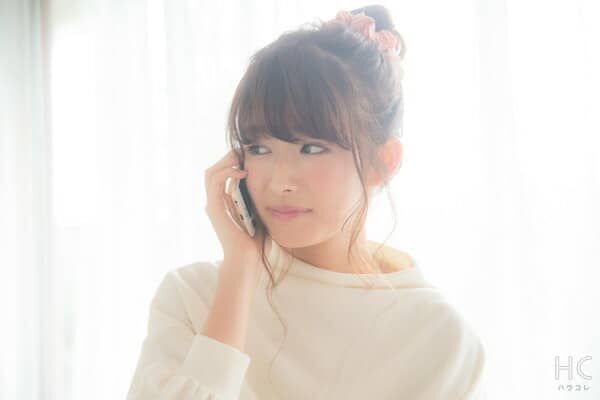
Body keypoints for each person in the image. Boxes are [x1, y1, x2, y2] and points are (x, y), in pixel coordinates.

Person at [126, 4, 487, 399]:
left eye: (311, 148)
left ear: (382, 162)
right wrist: (240, 271)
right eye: (259, 148)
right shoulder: (192, 297)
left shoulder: (437, 337)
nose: (280, 181)